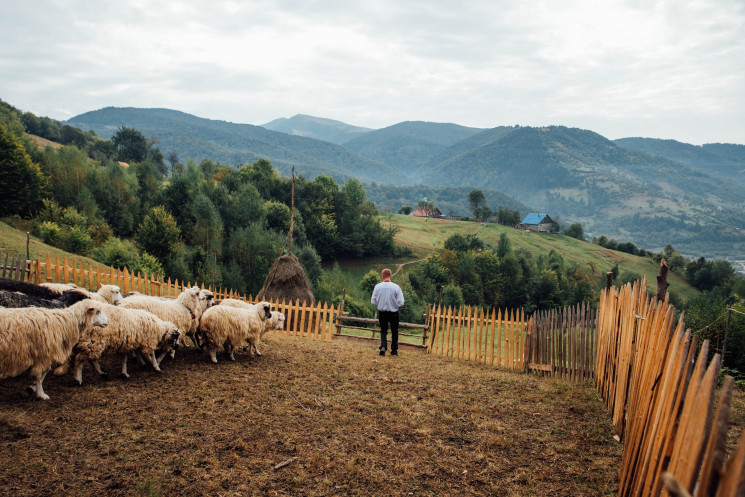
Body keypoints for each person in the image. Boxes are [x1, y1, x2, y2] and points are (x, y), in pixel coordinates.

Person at [370, 268, 404, 356]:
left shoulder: (377, 287)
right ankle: (394, 351)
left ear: (382, 276)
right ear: (390, 276)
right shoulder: (396, 287)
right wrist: (395, 305)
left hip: (382, 312)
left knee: (383, 330)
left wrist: (379, 304)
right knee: (394, 331)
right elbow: (401, 302)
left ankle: (383, 347)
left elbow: (373, 301)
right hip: (393, 313)